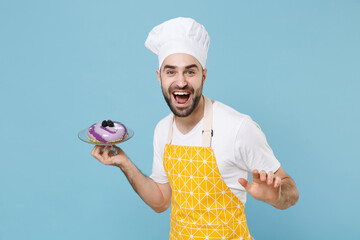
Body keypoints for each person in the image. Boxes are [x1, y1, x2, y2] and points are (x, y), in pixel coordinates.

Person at [91, 17, 299, 240]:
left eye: (190, 72)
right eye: (171, 72)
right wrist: (124, 163)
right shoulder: (163, 130)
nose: (180, 82)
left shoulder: (238, 127)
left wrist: (275, 195)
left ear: (204, 75)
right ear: (159, 77)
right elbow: (161, 201)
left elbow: (291, 191)